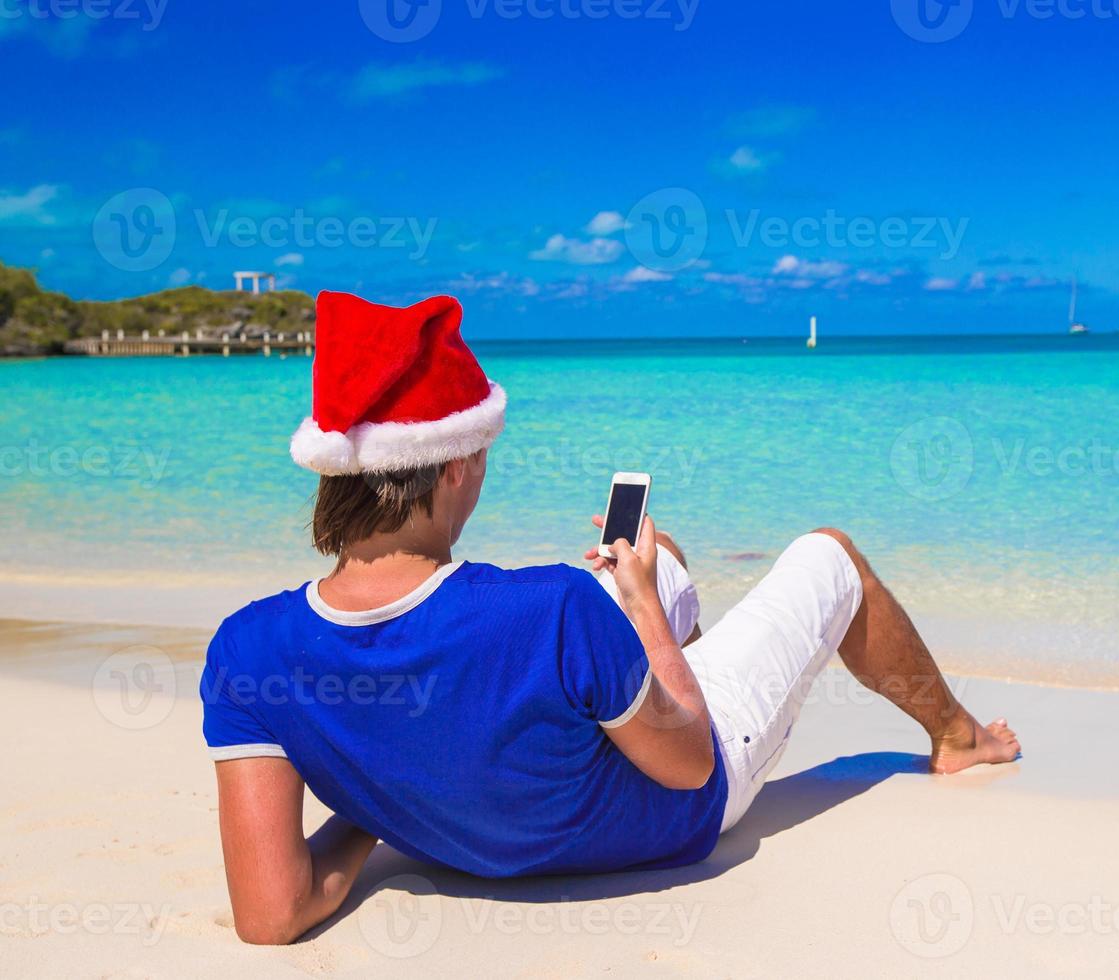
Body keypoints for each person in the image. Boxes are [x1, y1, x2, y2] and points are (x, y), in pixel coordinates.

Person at [202, 291, 1021, 945]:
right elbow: (690, 767)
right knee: (830, 556)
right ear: (455, 462)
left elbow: (273, 916)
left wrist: (382, 802)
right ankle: (958, 737)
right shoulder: (550, 609)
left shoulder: (249, 650)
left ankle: (663, 640)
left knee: (662, 563)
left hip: (475, 833)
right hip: (675, 813)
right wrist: (646, 626)